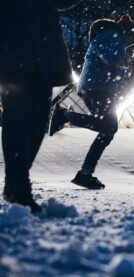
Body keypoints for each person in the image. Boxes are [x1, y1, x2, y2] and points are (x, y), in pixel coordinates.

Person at [0, 0, 84, 212]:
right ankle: (18, 184)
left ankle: (16, 181)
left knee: (36, 123)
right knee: (18, 119)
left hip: (42, 54)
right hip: (13, 50)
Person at [48, 15, 134, 189]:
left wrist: (118, 71)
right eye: (130, 40)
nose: (128, 44)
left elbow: (111, 61)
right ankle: (64, 115)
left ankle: (85, 173)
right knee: (109, 128)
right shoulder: (110, 34)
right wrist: (118, 64)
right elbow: (106, 56)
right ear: (127, 32)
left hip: (98, 86)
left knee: (106, 132)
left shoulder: (111, 36)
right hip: (98, 87)